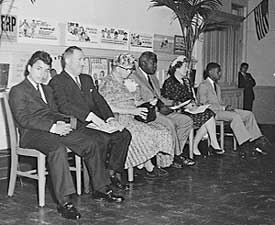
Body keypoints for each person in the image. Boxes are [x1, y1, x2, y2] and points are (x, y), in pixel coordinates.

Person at [9, 51, 124, 220]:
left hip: (52, 129)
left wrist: (66, 123)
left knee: (89, 142)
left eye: (46, 70)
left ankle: (101, 188)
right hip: (31, 135)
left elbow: (54, 112)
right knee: (58, 149)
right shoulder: (18, 90)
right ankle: (65, 203)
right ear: (29, 68)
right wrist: (52, 127)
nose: (43, 74)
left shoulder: (47, 90)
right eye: (39, 69)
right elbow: (24, 119)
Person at [48, 46, 132, 190]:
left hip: (93, 123)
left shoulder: (86, 79)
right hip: (76, 125)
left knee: (124, 134)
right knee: (102, 139)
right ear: (67, 61)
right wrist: (90, 117)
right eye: (80, 60)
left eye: (84, 59)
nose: (83, 63)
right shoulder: (57, 81)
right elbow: (64, 107)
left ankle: (113, 173)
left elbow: (99, 101)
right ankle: (99, 186)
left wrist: (110, 119)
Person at [99, 53, 174, 179]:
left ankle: (145, 164)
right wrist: (132, 111)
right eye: (128, 69)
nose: (130, 72)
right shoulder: (108, 83)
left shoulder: (125, 82)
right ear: (118, 68)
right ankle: (146, 166)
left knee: (162, 131)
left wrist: (146, 103)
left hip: (131, 118)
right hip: (118, 120)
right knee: (148, 135)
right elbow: (105, 107)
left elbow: (132, 101)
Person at [130, 51, 195, 168]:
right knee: (169, 124)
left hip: (161, 110)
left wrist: (173, 103)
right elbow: (135, 101)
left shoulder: (153, 78)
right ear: (143, 63)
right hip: (148, 114)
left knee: (186, 121)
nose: (156, 66)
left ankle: (173, 152)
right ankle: (177, 156)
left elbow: (160, 97)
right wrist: (156, 105)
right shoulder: (133, 77)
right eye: (153, 64)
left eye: (156, 64)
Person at [197, 62, 270, 156]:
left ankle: (256, 140)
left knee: (248, 114)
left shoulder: (217, 86)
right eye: (218, 71)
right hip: (211, 113)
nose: (220, 74)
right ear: (210, 72)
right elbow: (204, 104)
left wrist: (226, 107)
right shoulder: (203, 85)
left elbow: (219, 102)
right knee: (235, 116)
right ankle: (245, 144)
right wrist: (223, 108)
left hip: (220, 110)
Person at [161, 56, 224, 156]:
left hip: (190, 110)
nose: (187, 70)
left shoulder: (187, 81)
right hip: (178, 112)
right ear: (177, 68)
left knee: (209, 114)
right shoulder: (169, 82)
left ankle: (201, 143)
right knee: (208, 117)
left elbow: (191, 97)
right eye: (185, 67)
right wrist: (184, 105)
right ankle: (202, 144)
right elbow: (168, 102)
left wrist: (194, 104)